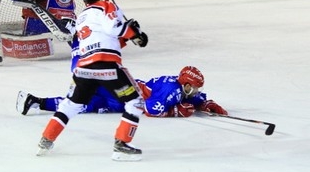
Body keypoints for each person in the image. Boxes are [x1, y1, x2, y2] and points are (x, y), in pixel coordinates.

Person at [36, 0, 148, 161]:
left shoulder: (81, 17)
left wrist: (128, 36)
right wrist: (134, 32)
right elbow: (114, 28)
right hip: (106, 66)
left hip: (83, 69)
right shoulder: (106, 6)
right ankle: (121, 145)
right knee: (135, 102)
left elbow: (109, 41)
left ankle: (46, 140)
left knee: (69, 106)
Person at [17, 66, 228, 117]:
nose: (198, 91)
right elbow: (151, 110)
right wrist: (177, 112)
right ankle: (36, 101)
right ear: (188, 85)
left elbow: (190, 97)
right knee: (81, 104)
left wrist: (205, 103)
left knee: (78, 103)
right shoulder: (171, 91)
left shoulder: (178, 86)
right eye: (197, 88)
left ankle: (34, 101)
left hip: (118, 88)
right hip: (118, 98)